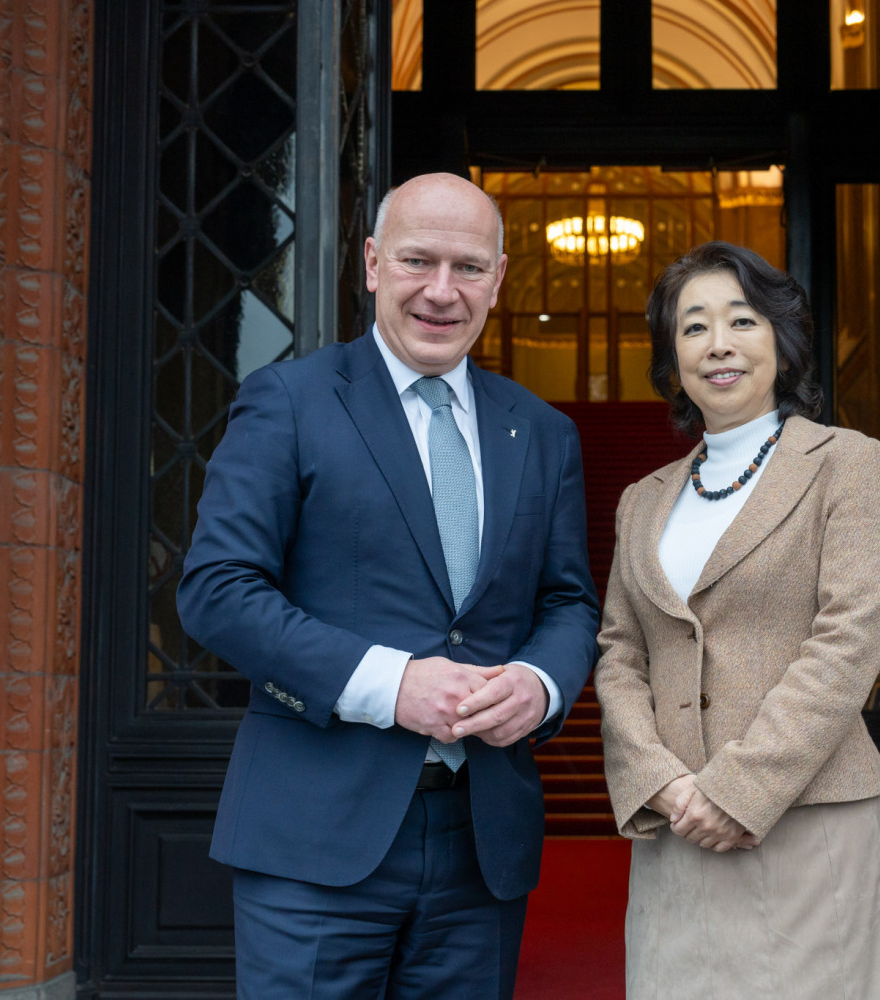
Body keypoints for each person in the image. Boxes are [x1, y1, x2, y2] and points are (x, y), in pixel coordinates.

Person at [178, 172, 600, 999]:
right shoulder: (289, 400)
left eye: (468, 268)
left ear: (498, 280)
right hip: (313, 840)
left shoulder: (544, 431)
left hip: (482, 844)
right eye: (417, 261)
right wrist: (390, 683)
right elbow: (218, 589)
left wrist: (541, 683)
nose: (442, 291)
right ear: (372, 263)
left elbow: (568, 601)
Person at [594, 241, 880, 998]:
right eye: (694, 326)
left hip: (802, 818)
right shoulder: (643, 499)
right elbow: (620, 652)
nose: (719, 344)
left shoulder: (847, 463)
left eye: (742, 320)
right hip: (677, 827)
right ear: (672, 357)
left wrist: (737, 791)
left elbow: (849, 640)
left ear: (782, 340)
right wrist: (658, 779)